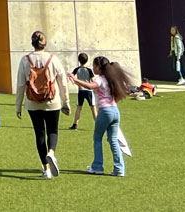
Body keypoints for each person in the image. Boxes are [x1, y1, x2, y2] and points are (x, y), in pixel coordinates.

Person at [14, 30, 70, 179]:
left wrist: (18, 106)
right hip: (52, 101)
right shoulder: (53, 59)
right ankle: (51, 152)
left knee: (39, 133)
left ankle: (46, 169)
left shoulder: (25, 60)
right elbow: (63, 83)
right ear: (45, 43)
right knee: (53, 130)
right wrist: (66, 103)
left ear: (32, 43)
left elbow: (20, 85)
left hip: (33, 103)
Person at [69, 56, 132, 177]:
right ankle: (120, 169)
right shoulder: (111, 79)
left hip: (105, 111)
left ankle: (97, 166)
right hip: (115, 110)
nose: (93, 68)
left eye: (94, 66)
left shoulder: (100, 79)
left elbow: (89, 86)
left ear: (99, 67)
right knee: (113, 140)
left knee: (97, 138)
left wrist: (75, 79)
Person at [67, 52, 96, 130]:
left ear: (79, 60)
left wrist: (75, 83)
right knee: (93, 107)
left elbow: (71, 76)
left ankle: (75, 124)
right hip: (89, 90)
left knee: (79, 108)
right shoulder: (89, 70)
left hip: (81, 91)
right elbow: (93, 80)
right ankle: (97, 124)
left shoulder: (77, 69)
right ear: (87, 60)